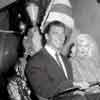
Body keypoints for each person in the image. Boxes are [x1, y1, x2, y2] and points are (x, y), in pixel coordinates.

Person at [25, 21, 89, 100]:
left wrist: (75, 91)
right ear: (47, 36)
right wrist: (73, 84)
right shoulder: (35, 61)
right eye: (55, 33)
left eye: (62, 34)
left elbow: (67, 91)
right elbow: (44, 91)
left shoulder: (65, 60)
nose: (60, 37)